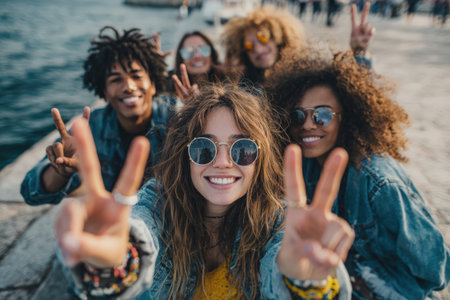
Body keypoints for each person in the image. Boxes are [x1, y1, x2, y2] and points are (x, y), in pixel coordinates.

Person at [55, 83, 355, 299]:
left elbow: (284, 267)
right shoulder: (157, 201)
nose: (223, 162)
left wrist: (303, 280)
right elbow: (139, 230)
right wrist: (118, 256)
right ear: (184, 154)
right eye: (203, 148)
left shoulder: (278, 221)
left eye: (243, 149)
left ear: (260, 159)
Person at [266, 50, 450, 299]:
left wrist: (378, 283)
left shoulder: (380, 182)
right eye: (298, 115)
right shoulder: (304, 165)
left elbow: (434, 268)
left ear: (347, 118)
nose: (308, 124)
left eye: (322, 115)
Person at [21, 26, 175, 205]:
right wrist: (59, 172)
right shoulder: (92, 128)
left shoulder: (175, 119)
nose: (129, 86)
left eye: (136, 76)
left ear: (153, 84)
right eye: (116, 79)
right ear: (105, 92)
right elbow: (30, 192)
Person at [221, 3, 375, 90]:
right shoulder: (244, 89)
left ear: (279, 36)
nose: (258, 49)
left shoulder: (308, 70)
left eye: (263, 37)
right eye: (249, 46)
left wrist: (358, 53)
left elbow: (346, 88)